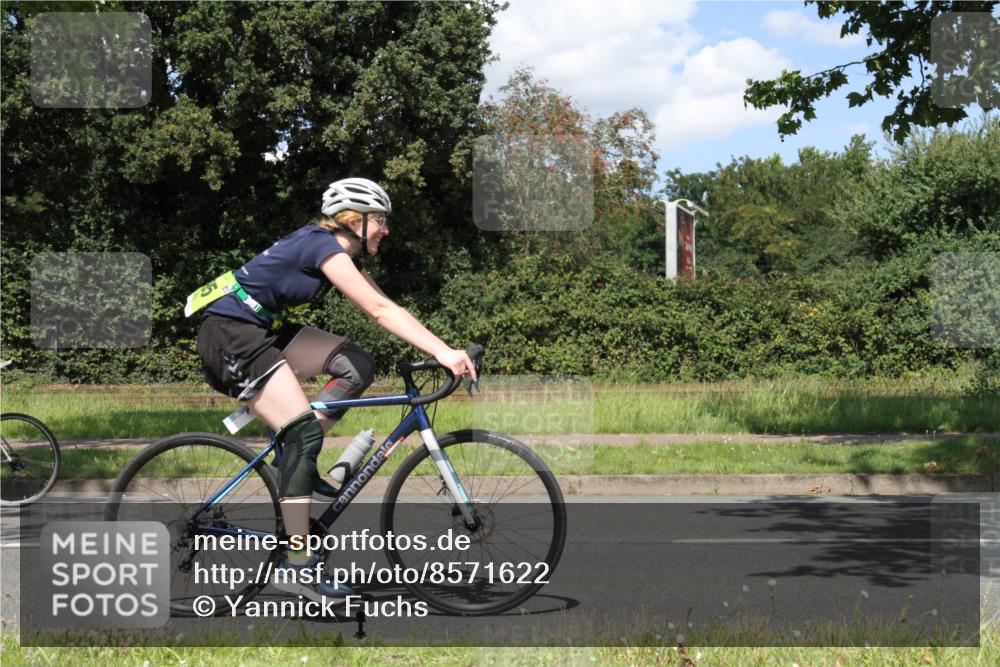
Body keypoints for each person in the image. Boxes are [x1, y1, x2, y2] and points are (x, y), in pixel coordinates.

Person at [189, 178, 477, 601]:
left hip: (262, 328)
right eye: (379, 221)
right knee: (302, 432)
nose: (386, 230)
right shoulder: (322, 247)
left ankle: (294, 458)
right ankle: (297, 564)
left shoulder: (338, 254)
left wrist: (441, 349)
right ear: (352, 219)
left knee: (356, 365)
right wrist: (445, 353)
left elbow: (391, 308)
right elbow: (378, 312)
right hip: (230, 334)